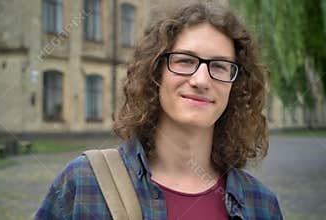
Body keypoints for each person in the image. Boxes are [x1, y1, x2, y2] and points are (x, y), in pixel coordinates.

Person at [35, 1, 283, 219]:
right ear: (156, 73)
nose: (201, 80)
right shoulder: (84, 184)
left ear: (234, 85)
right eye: (185, 61)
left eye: (219, 66)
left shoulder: (260, 205)